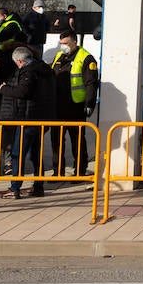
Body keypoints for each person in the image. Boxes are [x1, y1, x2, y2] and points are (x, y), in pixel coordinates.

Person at [0, 46, 56, 199]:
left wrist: (4, 89)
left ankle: (14, 188)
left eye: (16, 63)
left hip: (27, 118)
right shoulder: (45, 70)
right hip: (42, 118)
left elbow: (23, 92)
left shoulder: (29, 71)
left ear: (20, 61)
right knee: (36, 154)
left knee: (18, 153)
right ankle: (38, 186)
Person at [49, 30, 99, 177]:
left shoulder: (86, 58)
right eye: (61, 43)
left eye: (65, 43)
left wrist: (89, 104)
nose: (62, 46)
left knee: (77, 141)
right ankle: (58, 172)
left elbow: (91, 83)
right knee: (56, 141)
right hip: (58, 107)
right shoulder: (59, 56)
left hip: (75, 107)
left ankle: (79, 171)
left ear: (75, 42)